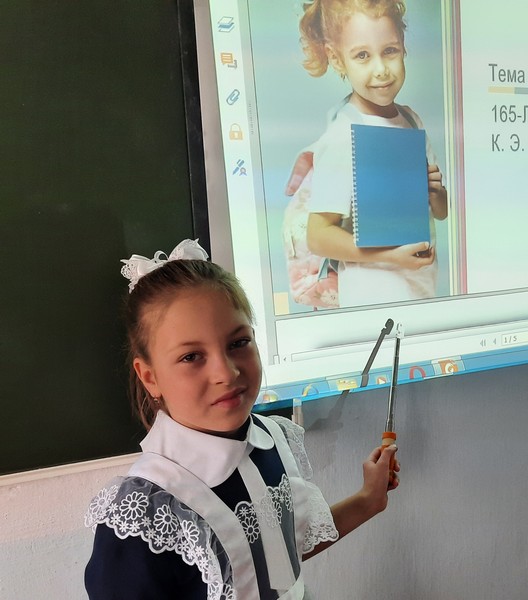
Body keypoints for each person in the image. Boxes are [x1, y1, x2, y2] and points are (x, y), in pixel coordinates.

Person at [84, 239, 399, 599]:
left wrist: (369, 499)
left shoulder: (271, 440)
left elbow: (279, 562)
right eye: (191, 357)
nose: (227, 372)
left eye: (238, 343)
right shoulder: (145, 513)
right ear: (150, 377)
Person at [297, 0, 448, 308]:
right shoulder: (343, 134)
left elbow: (441, 212)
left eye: (389, 50)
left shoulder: (411, 121)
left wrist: (435, 193)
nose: (381, 69)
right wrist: (390, 255)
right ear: (337, 59)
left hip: (421, 290)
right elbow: (318, 236)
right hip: (373, 300)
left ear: (403, 45)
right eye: (362, 55)